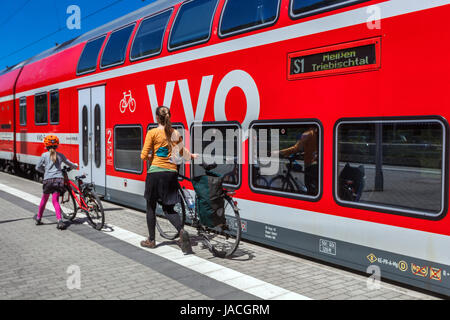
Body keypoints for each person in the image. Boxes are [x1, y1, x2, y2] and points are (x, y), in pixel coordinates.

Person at [140, 106, 198, 251]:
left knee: (151, 207)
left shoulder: (152, 133)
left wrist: (150, 156)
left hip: (155, 174)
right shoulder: (175, 132)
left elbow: (143, 155)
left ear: (157, 118)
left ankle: (151, 240)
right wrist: (191, 156)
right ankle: (181, 231)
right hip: (171, 174)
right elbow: (183, 153)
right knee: (168, 208)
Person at [35, 135, 78, 230]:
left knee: (44, 200)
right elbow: (69, 163)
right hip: (58, 180)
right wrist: (75, 166)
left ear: (46, 146)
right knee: (55, 201)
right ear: (57, 145)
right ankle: (60, 221)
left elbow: (37, 167)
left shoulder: (44, 155)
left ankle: (38, 218)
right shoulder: (60, 155)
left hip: (48, 181)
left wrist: (45, 171)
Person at [276, 126, 319, 195]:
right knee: (315, 189)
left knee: (310, 190)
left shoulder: (307, 133)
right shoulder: (317, 132)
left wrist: (280, 152)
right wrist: (304, 153)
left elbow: (296, 148)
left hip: (310, 164)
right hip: (317, 164)